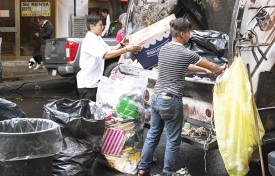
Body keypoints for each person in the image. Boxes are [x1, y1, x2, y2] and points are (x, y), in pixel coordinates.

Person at [138, 18, 227, 176]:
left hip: (157, 98)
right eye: (188, 32)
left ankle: (143, 169)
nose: (190, 35)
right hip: (171, 101)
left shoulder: (164, 49)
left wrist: (205, 72)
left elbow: (183, 65)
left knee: (152, 135)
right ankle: (167, 172)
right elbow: (211, 65)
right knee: (173, 140)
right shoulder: (187, 52)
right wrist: (219, 69)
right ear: (182, 33)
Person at [77, 14, 141, 101]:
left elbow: (110, 49)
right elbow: (106, 55)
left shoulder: (97, 38)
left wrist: (121, 44)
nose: (102, 27)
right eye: (100, 25)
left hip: (94, 83)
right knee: (88, 112)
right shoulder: (90, 40)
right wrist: (126, 49)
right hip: (88, 84)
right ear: (92, 26)